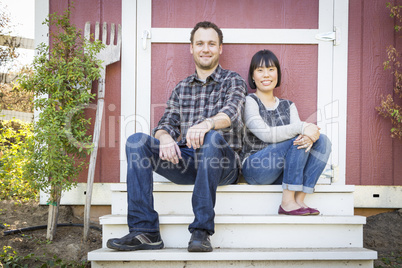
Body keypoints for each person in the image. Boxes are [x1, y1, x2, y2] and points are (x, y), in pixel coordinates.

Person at [107, 21, 247, 252]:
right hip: (189, 161)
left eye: (211, 44)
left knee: (211, 137)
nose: (205, 49)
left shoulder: (233, 81)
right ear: (191, 48)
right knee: (136, 142)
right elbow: (166, 124)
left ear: (220, 48)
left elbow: (229, 114)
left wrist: (206, 124)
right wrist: (164, 138)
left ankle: (201, 231)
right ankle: (145, 231)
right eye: (200, 43)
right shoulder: (182, 88)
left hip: (223, 163)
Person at [241, 49, 332, 216]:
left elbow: (301, 136)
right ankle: (287, 202)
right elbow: (265, 134)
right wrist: (304, 127)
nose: (266, 75)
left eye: (271, 69)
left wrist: (311, 135)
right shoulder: (249, 101)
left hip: (282, 172)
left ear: (278, 74)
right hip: (256, 168)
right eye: (260, 70)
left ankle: (299, 200)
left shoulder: (288, 105)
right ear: (253, 76)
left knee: (323, 141)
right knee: (296, 139)